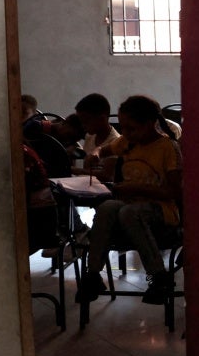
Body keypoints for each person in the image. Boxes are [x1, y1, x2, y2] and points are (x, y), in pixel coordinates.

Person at [76, 95, 183, 306]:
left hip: (162, 212)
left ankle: (159, 277)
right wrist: (96, 154)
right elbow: (104, 149)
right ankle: (93, 274)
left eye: (131, 128)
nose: (125, 133)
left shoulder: (167, 148)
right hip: (132, 207)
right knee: (107, 207)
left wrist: (137, 188)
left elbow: (174, 192)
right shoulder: (126, 141)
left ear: (150, 124)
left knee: (128, 212)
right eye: (123, 128)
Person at [75, 93, 120, 158]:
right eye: (81, 122)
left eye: (86, 121)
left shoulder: (115, 143)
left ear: (102, 119)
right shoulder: (89, 136)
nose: (83, 126)